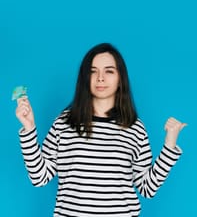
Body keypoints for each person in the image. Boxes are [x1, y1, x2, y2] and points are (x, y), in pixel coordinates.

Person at [15, 43, 186, 217]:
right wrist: (28, 129)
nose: (100, 78)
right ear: (85, 77)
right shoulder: (64, 123)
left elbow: (147, 188)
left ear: (120, 78)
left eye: (109, 71)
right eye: (93, 71)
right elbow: (39, 177)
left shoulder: (134, 127)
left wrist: (169, 146)